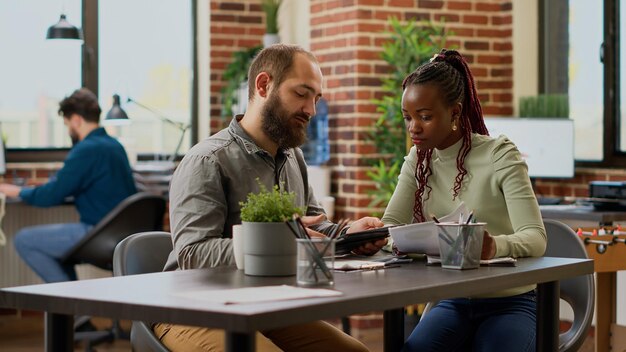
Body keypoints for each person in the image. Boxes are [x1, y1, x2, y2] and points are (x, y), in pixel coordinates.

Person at [157, 44, 386, 352]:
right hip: (191, 308)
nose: (311, 110)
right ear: (263, 85)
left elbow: (312, 229)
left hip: (266, 305)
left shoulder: (294, 159)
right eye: (301, 94)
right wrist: (275, 242)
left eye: (316, 98)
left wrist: (349, 236)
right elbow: (193, 254)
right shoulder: (207, 160)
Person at [381, 49, 547, 352]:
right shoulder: (418, 159)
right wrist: (384, 238)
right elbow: (389, 226)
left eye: (425, 117)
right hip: (454, 300)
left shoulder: (499, 154)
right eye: (408, 117)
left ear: (455, 113)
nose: (413, 128)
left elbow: (536, 237)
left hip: (511, 301)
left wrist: (493, 246)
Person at [0, 88, 137, 283]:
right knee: (57, 251)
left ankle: (72, 303)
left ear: (76, 120)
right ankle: (76, 309)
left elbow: (51, 195)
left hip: (98, 234)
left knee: (24, 240)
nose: (68, 131)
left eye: (67, 125)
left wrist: (19, 191)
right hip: (124, 234)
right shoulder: (115, 146)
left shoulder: (86, 149)